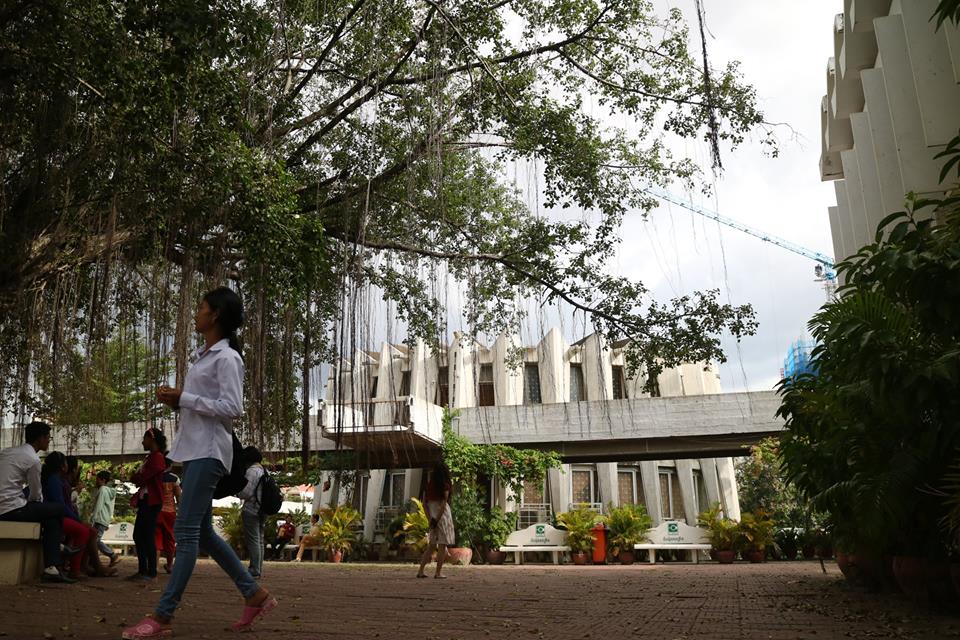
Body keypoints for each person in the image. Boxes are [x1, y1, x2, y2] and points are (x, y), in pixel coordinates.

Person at [122, 287, 276, 640]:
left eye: (202, 307)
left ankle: (163, 615)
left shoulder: (228, 358)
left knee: (186, 533)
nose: (196, 312)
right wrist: (180, 401)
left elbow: (232, 408)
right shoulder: (205, 356)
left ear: (216, 314)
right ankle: (254, 594)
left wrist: (185, 397)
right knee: (202, 532)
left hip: (209, 452)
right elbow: (206, 403)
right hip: (194, 451)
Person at [0, 421, 72, 583]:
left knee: (50, 517)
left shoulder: (8, 452)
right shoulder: (33, 460)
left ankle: (52, 568)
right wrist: (38, 505)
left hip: (5, 506)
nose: (49, 441)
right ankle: (56, 548)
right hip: (10, 509)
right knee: (58, 509)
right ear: (40, 439)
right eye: (48, 437)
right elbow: (35, 495)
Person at [41, 451, 116, 579]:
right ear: (62, 466)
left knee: (91, 532)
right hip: (55, 518)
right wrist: (78, 520)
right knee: (84, 531)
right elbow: (61, 506)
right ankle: (75, 569)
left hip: (58, 516)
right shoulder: (55, 481)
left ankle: (88, 566)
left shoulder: (59, 481)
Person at [127, 428, 168, 583]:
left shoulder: (156, 458)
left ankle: (150, 572)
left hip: (151, 501)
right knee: (140, 535)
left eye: (144, 439)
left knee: (146, 535)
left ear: (151, 439)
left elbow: (142, 477)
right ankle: (144, 570)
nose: (142, 442)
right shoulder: (151, 457)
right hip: (147, 500)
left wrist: (135, 477)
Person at [417, 462, 455, 579]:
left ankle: (420, 571)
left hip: (432, 517)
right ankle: (438, 573)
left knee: (432, 546)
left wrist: (430, 520)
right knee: (442, 546)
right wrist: (437, 520)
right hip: (443, 518)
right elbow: (443, 504)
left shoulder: (428, 486)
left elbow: (424, 504)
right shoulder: (445, 485)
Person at [237, 446, 265, 578]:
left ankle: (254, 569)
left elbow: (246, 493)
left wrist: (237, 492)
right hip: (262, 509)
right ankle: (258, 567)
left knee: (253, 539)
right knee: (260, 540)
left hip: (251, 508)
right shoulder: (264, 471)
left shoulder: (252, 471)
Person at [154, 460, 180, 574]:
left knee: (156, 539)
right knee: (170, 538)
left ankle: (155, 567)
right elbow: (179, 496)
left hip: (156, 511)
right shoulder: (174, 478)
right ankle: (169, 566)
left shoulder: (156, 477)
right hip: (170, 512)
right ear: (170, 465)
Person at [90, 470, 121, 567]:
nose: (96, 481)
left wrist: (92, 519)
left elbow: (98, 506)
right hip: (103, 519)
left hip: (99, 519)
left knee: (95, 541)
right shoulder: (107, 490)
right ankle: (92, 562)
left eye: (97, 479)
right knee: (93, 540)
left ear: (103, 480)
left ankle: (112, 555)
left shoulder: (103, 489)